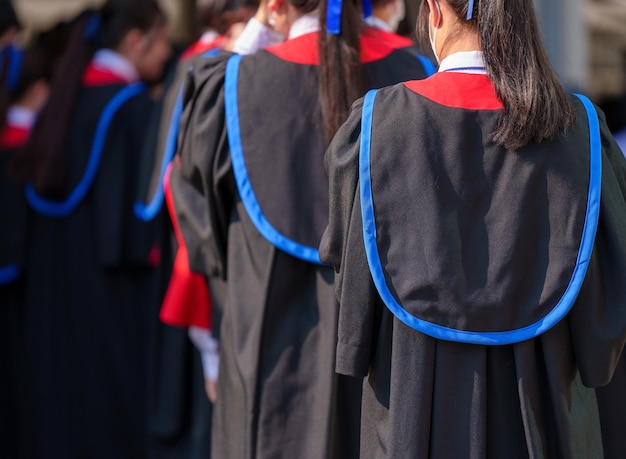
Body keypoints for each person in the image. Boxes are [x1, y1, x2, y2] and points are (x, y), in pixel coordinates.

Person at [320, 0, 626, 457]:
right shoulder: (579, 128)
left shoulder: (375, 124)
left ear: (435, 11)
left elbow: (352, 296)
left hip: (415, 409)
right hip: (543, 415)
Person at [166, 0, 433, 457]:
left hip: (270, 354)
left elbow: (205, 235)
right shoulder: (418, 74)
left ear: (275, 5)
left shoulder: (232, 85)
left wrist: (249, 43)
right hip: (385, 353)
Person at [11, 1, 171, 457]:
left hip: (54, 282)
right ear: (135, 40)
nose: (165, 53)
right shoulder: (131, 108)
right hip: (111, 288)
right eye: (160, 40)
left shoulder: (61, 102)